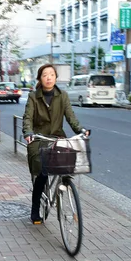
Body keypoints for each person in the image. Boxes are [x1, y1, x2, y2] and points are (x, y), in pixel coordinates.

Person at [22, 64, 89, 225]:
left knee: (67, 163)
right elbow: (27, 118)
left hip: (57, 137)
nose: (49, 77)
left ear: (56, 77)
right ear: (40, 78)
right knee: (42, 172)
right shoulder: (33, 96)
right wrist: (28, 133)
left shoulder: (63, 96)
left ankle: (64, 185)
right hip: (38, 137)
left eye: (52, 74)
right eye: (45, 75)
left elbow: (71, 117)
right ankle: (35, 208)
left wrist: (80, 130)